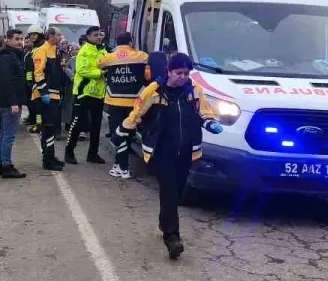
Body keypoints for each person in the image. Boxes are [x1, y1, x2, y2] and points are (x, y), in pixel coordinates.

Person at [119, 52, 223, 259]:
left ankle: (164, 221)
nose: (183, 77)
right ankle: (172, 237)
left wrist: (210, 122)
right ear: (169, 71)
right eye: (178, 73)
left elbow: (204, 111)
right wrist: (122, 131)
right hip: (161, 152)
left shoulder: (194, 91)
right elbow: (137, 113)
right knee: (169, 192)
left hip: (186, 151)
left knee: (177, 192)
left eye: (186, 73)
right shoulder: (154, 91)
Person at [100, 32, 150, 179]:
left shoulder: (109, 57)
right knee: (127, 133)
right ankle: (119, 164)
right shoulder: (142, 56)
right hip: (134, 102)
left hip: (114, 101)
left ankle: (123, 167)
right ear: (131, 42)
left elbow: (100, 64)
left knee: (118, 133)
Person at [66, 26, 107, 165]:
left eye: (100, 35)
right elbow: (82, 70)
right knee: (77, 123)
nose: (99, 37)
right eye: (96, 35)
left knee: (96, 125)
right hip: (84, 93)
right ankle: (69, 152)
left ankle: (93, 154)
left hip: (98, 93)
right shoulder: (84, 51)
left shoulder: (102, 50)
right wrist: (100, 72)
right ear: (88, 37)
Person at [0, 30, 28, 178]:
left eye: (21, 39)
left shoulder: (10, 55)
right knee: (9, 136)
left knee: (4, 134)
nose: (20, 42)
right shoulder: (7, 57)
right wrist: (14, 102)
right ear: (8, 40)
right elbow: (7, 82)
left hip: (8, 101)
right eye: (17, 39)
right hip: (10, 102)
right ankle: (7, 165)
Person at [32, 27, 69, 171]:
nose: (61, 37)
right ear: (51, 36)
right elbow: (38, 72)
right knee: (47, 127)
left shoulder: (55, 50)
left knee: (52, 127)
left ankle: (50, 156)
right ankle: (47, 160)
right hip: (45, 95)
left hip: (54, 94)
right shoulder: (42, 50)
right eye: (59, 35)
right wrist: (44, 91)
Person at [23, 25, 43, 133]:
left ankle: (41, 124)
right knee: (37, 107)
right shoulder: (33, 50)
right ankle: (39, 123)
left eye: (34, 35)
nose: (32, 37)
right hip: (34, 83)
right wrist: (29, 82)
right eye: (30, 35)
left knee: (40, 107)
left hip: (42, 82)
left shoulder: (41, 47)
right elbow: (29, 70)